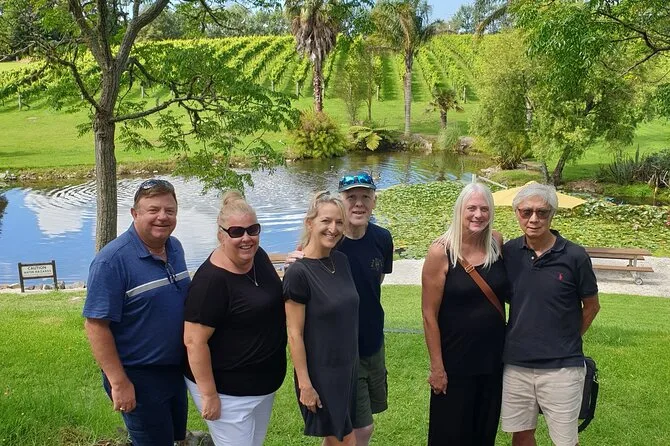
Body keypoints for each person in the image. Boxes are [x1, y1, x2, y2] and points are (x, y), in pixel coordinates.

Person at [288, 171, 394, 446]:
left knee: (352, 427)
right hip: (336, 357)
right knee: (357, 430)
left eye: (365, 197)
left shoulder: (381, 239)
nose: (358, 204)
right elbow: (306, 273)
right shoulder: (331, 243)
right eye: (351, 197)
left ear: (374, 201)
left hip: (372, 345)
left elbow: (375, 283)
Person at [82, 178, 191, 446]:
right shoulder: (111, 261)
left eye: (169, 210)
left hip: (173, 371)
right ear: (135, 213)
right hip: (138, 376)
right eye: (153, 210)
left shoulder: (175, 247)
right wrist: (118, 382)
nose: (162, 217)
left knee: (174, 437)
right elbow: (96, 326)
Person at [183, 191, 286, 446]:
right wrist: (209, 395)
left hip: (263, 385)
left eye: (253, 230)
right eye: (236, 232)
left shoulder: (257, 257)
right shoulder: (211, 282)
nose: (246, 238)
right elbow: (194, 342)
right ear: (221, 235)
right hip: (228, 392)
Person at [501, 182, 600, 446]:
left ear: (552, 214)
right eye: (526, 212)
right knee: (521, 435)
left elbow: (592, 306)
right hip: (517, 363)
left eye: (542, 212)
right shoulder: (509, 252)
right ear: (517, 214)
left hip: (562, 367)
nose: (533, 219)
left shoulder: (575, 256)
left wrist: (567, 337)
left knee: (565, 440)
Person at [421, 182, 508, 446]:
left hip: (493, 360)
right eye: (471, 208)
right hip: (455, 362)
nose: (478, 215)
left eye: (484, 209)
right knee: (449, 434)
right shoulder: (441, 252)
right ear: (460, 210)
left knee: (484, 433)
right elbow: (429, 315)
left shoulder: (496, 243)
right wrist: (437, 367)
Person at [284, 191, 360, 445]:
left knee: (336, 437)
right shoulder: (298, 273)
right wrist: (305, 384)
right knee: (346, 440)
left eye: (339, 222)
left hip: (347, 368)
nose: (333, 228)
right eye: (326, 221)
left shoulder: (342, 261)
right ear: (310, 223)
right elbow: (294, 334)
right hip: (321, 373)